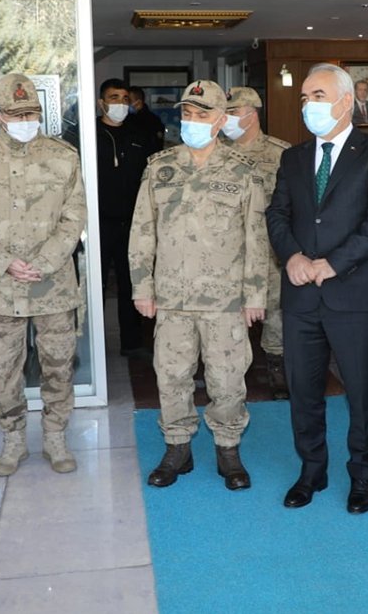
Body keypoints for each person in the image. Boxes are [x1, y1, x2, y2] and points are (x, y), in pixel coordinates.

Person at [266, 63, 368, 514]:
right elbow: (277, 216)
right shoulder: (293, 157)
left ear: (345, 102)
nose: (308, 106)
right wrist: (294, 257)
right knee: (303, 390)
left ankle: (363, 476)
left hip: (355, 295)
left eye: (318, 96)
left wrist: (334, 263)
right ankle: (312, 471)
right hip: (302, 295)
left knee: (362, 393)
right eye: (304, 98)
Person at [129, 80, 270, 491]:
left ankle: (228, 449)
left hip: (225, 300)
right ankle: (178, 448)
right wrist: (142, 287)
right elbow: (142, 231)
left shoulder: (243, 171)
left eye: (202, 114)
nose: (192, 121)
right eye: (187, 114)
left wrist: (254, 295)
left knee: (227, 379)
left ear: (221, 120)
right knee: (171, 375)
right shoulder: (160, 166)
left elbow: (255, 238)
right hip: (172, 298)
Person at [0, 73, 88, 477]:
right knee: (4, 367)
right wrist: (4, 260)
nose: (26, 119)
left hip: (53, 285)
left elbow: (74, 216)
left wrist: (44, 262)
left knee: (59, 365)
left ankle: (55, 436)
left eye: (31, 112)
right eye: (16, 114)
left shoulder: (64, 157)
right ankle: (13, 441)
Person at [221, 86, 292, 399]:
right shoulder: (217, 152)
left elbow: (292, 205)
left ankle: (277, 369)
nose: (227, 119)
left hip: (268, 248)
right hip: (228, 249)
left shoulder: (280, 153)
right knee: (231, 312)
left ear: (252, 114)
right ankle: (232, 373)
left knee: (275, 310)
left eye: (233, 113)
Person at [96, 78, 159, 357]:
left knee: (130, 283)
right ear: (101, 103)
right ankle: (92, 346)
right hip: (98, 223)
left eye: (124, 98)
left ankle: (132, 343)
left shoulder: (138, 134)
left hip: (133, 224)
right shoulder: (90, 135)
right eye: (113, 97)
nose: (120, 103)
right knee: (94, 285)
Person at [128, 86, 166, 151]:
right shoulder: (128, 118)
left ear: (138, 102)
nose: (126, 104)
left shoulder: (152, 121)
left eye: (129, 101)